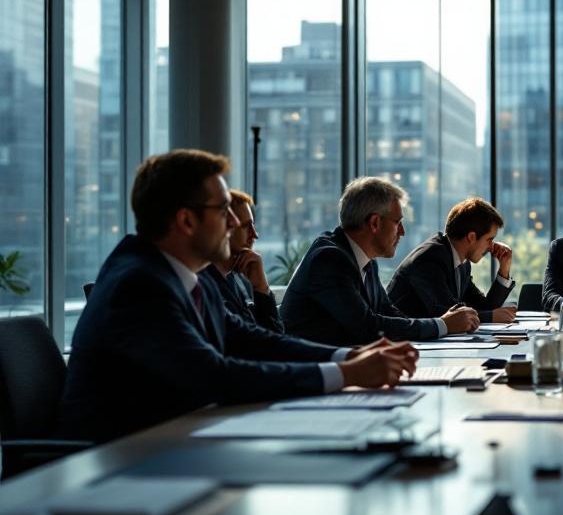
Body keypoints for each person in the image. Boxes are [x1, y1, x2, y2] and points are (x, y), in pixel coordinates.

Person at [58, 150, 418, 443]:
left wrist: (350, 355)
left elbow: (253, 340)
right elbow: (214, 375)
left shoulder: (185, 276)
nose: (233, 223)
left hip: (178, 441)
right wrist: (344, 372)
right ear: (186, 221)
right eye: (223, 210)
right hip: (121, 464)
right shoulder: (138, 284)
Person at [281, 177, 479, 346]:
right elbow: (368, 327)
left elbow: (389, 312)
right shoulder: (329, 259)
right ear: (375, 223)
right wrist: (443, 325)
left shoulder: (365, 260)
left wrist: (441, 324)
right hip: (314, 378)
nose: (402, 232)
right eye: (397, 222)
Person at [387, 198, 516, 323]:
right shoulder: (430, 259)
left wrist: (504, 269)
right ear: (471, 237)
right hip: (402, 341)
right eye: (489, 239)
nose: (491, 247)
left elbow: (485, 307)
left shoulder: (462, 264)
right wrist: (490, 317)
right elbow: (446, 312)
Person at [199, 189, 282, 332]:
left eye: (253, 226)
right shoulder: (204, 284)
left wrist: (261, 288)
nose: (255, 235)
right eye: (246, 226)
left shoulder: (241, 279)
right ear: (226, 228)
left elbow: (274, 335)